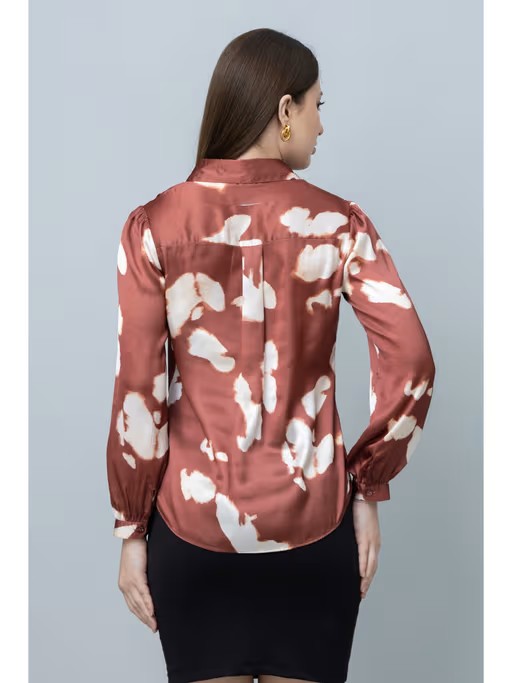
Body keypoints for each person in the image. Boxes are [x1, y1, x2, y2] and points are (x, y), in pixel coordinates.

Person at [106, 27, 436, 683]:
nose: (322, 124)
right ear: (285, 109)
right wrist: (368, 483)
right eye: (317, 104)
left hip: (192, 534)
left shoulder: (153, 225)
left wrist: (131, 528)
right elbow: (413, 363)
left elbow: (138, 393)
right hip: (315, 530)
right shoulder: (339, 224)